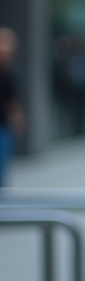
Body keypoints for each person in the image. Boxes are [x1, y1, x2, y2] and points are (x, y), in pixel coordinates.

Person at [0, 28, 26, 186]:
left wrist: (17, 118)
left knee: (2, 168)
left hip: (3, 126)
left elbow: (12, 101)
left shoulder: (11, 73)